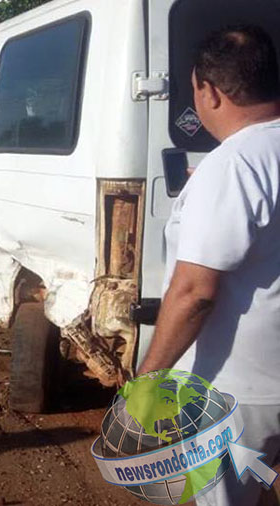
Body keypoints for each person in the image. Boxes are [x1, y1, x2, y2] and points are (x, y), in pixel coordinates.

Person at [136, 25, 280, 506]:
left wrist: (147, 381)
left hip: (237, 392)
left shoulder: (233, 165)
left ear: (210, 91)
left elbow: (194, 291)